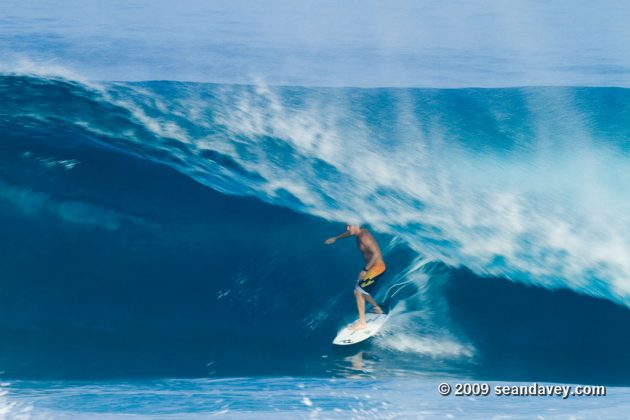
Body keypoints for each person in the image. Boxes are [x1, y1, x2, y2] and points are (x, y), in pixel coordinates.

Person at [324, 224, 386, 330]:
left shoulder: (364, 236)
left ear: (357, 225)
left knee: (359, 291)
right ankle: (377, 309)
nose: (347, 228)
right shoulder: (358, 232)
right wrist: (335, 238)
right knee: (359, 291)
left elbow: (376, 254)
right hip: (372, 268)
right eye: (347, 226)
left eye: (349, 226)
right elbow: (349, 233)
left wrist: (365, 270)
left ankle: (362, 323)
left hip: (377, 268)